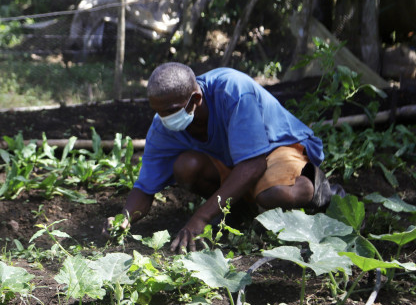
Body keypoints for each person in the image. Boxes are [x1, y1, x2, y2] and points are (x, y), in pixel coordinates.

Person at [110, 63, 343, 254]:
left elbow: (254, 164)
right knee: (185, 167)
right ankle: (241, 212)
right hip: (237, 162)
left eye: (171, 111)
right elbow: (145, 187)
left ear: (195, 99)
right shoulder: (162, 126)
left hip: (276, 148)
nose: (165, 118)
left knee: (275, 194)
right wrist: (124, 219)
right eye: (159, 111)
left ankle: (319, 188)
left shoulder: (232, 90)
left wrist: (201, 217)